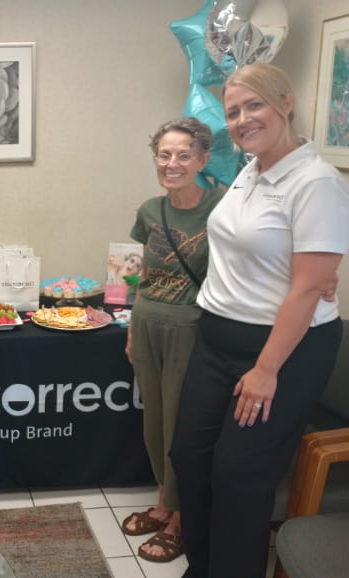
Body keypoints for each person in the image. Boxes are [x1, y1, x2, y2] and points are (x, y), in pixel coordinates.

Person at [170, 62, 349, 578]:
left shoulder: (317, 182)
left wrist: (266, 369)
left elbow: (310, 285)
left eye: (254, 105)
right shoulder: (253, 169)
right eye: (233, 111)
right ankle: (201, 567)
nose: (243, 119)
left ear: (285, 102)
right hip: (217, 338)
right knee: (191, 456)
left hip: (283, 351)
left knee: (239, 475)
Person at [121, 118, 222, 563]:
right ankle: (164, 504)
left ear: (202, 159)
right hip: (146, 325)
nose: (172, 163)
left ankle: (182, 519)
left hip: (191, 328)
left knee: (182, 426)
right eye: (164, 155)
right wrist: (130, 328)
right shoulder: (148, 210)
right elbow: (143, 274)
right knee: (154, 420)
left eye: (183, 155)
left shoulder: (221, 207)